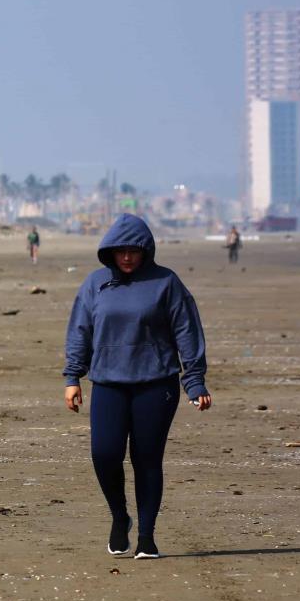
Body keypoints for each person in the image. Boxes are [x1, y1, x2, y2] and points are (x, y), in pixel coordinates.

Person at [62, 214, 211, 559]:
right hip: (108, 383)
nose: (127, 257)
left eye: (134, 250)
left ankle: (147, 536)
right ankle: (119, 517)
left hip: (156, 385)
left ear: (146, 250)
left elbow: (187, 332)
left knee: (146, 459)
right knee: (104, 454)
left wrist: (195, 380)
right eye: (120, 251)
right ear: (110, 252)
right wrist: (72, 377)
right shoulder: (95, 283)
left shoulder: (166, 282)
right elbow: (79, 332)